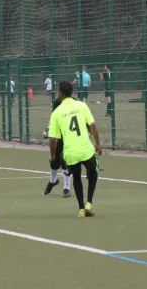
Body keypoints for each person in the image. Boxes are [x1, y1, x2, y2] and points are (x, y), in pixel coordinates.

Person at [48, 81, 102, 217]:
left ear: (60, 93)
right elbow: (93, 125)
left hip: (70, 152)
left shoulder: (56, 112)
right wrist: (98, 145)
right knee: (93, 171)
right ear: (72, 93)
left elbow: (52, 138)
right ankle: (89, 202)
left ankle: (81, 209)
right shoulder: (82, 105)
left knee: (76, 176)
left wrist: (52, 155)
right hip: (86, 149)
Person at [42, 97, 71, 198]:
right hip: (60, 135)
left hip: (71, 136)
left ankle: (67, 188)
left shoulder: (75, 103)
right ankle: (53, 181)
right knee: (54, 159)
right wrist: (49, 128)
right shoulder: (57, 102)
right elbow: (54, 117)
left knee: (64, 159)